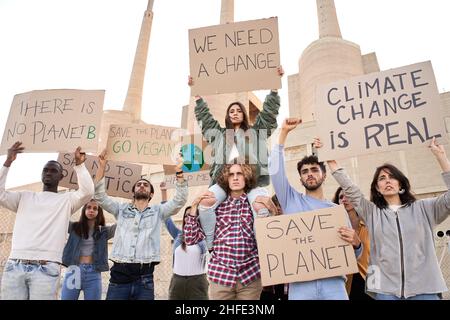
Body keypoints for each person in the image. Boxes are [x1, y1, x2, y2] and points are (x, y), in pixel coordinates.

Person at [322, 136, 450, 300]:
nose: (387, 181)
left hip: (425, 288)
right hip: (385, 291)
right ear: (377, 188)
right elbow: (350, 188)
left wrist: (441, 157)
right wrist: (332, 161)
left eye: (392, 177)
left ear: (401, 184)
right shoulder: (372, 212)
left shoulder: (424, 208)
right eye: (382, 178)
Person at [188, 67, 284, 248]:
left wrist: (274, 89)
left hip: (253, 180)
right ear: (227, 115)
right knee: (205, 203)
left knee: (261, 207)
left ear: (243, 115)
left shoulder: (256, 132)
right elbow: (206, 119)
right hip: (225, 181)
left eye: (238, 110)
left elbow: (268, 115)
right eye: (231, 110)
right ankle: (210, 244)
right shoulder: (219, 135)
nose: (234, 112)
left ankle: (262, 245)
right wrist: (198, 97)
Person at [268, 119, 362, 300]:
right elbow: (275, 170)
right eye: (304, 171)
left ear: (324, 175)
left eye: (314, 169)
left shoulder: (338, 211)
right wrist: (284, 133)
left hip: (334, 285)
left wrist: (357, 244)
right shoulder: (290, 201)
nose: (309, 173)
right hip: (301, 287)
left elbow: (353, 255)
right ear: (301, 178)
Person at [0, 141, 94, 300]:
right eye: (45, 170)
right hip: (15, 265)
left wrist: (79, 165)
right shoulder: (24, 197)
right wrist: (8, 162)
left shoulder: (66, 201)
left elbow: (87, 192)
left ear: (61, 176)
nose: (48, 172)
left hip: (46, 268)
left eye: (53, 170)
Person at [93, 150, 188, 300]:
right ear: (133, 192)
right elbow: (99, 196)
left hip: (145, 279)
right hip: (119, 277)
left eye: (145, 185)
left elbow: (179, 200)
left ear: (151, 194)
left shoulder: (158, 211)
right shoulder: (121, 209)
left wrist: (179, 173)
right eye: (139, 185)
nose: (142, 186)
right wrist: (102, 167)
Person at [184, 163, 265, 300]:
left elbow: (269, 234)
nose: (235, 178)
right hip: (221, 277)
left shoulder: (255, 205)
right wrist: (194, 206)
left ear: (246, 178)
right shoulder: (214, 206)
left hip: (250, 276)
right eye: (231, 175)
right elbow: (190, 238)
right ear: (226, 179)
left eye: (239, 174)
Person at [61, 199, 116, 300]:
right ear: (84, 210)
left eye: (95, 208)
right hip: (74, 270)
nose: (91, 210)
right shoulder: (74, 227)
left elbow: (120, 226)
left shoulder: (103, 231)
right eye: (89, 207)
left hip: (94, 272)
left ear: (99, 212)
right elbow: (60, 217)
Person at [332, 187, 372, 300]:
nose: (344, 199)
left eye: (348, 196)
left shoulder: (370, 225)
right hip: (347, 283)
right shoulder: (334, 230)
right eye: (341, 197)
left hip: (371, 279)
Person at [164, 201, 209, 300]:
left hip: (198, 282)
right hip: (177, 281)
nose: (188, 218)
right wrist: (164, 195)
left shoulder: (204, 236)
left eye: (192, 215)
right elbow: (167, 219)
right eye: (186, 216)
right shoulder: (178, 234)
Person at [259, 194, 289, 301]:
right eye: (276, 205)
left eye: (282, 205)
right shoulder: (264, 229)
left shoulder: (297, 231)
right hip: (270, 287)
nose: (279, 208)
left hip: (291, 287)